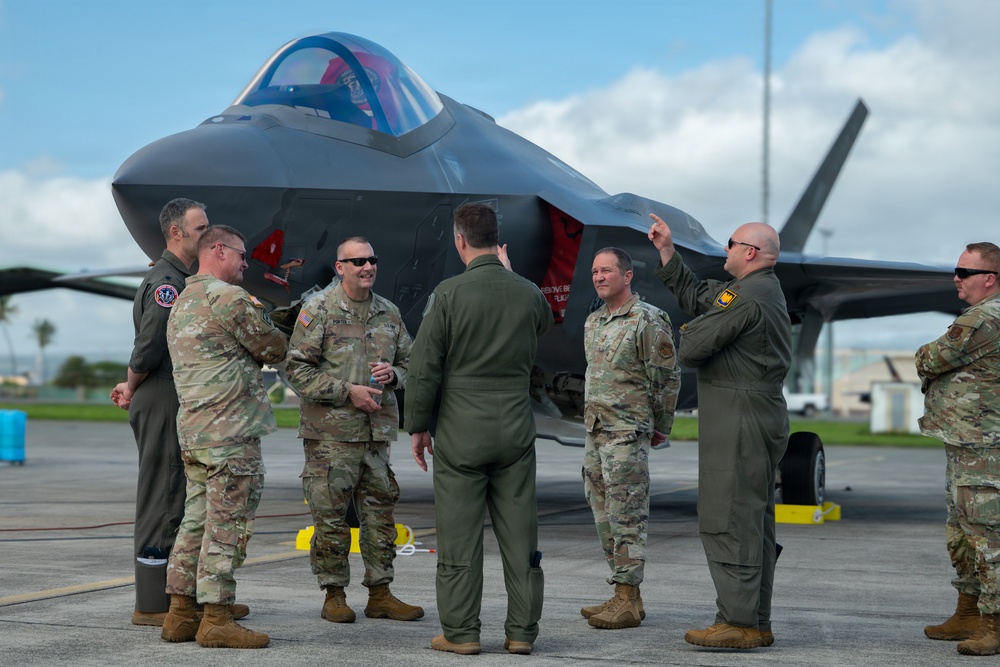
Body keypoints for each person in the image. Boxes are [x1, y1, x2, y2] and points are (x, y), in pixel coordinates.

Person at [406, 203, 554, 656]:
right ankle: (522, 632)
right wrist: (511, 276)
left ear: (460, 240)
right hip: (515, 428)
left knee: (459, 536)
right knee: (521, 536)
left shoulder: (448, 294)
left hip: (461, 429)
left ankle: (461, 632)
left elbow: (424, 368)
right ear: (497, 240)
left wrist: (418, 425)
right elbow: (543, 324)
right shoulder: (529, 293)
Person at [648, 213, 791, 650]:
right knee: (752, 519)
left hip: (740, 416)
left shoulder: (747, 298)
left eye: (731, 243)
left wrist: (691, 329)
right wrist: (667, 252)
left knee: (728, 515)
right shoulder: (755, 289)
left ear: (750, 252)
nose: (724, 249)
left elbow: (691, 347)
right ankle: (756, 620)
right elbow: (701, 297)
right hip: (755, 413)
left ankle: (737, 621)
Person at [159, 225, 288, 649]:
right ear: (219, 250)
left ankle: (180, 613)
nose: (246, 264)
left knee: (195, 520)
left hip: (195, 433)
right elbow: (274, 348)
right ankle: (216, 617)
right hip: (231, 433)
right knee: (227, 524)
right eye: (242, 255)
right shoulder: (229, 298)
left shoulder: (183, 300)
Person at [286, 236, 423, 624]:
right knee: (330, 518)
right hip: (331, 437)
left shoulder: (388, 313)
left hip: (376, 436)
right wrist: (348, 391)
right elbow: (297, 370)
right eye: (358, 261)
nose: (368, 267)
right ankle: (334, 595)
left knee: (380, 517)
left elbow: (412, 364)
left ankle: (381, 594)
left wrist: (395, 375)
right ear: (340, 267)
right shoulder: (319, 309)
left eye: (372, 260)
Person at [110, 198, 217, 627]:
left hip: (171, 391)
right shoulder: (168, 283)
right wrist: (132, 384)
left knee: (180, 494)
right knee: (165, 495)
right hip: (163, 392)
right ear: (176, 232)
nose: (208, 235)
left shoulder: (181, 277)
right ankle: (154, 603)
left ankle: (184, 599)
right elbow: (150, 345)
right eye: (200, 228)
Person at [580, 247, 681, 629]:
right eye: (595, 271)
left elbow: (666, 378)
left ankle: (627, 594)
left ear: (627, 275)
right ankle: (625, 595)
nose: (599, 277)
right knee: (603, 511)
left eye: (607, 270)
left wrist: (661, 425)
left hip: (626, 431)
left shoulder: (648, 319)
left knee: (627, 514)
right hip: (596, 431)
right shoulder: (594, 321)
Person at [916, 242, 1000, 657]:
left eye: (965, 272)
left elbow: (930, 358)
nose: (956, 278)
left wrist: (924, 355)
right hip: (968, 443)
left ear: (990, 278)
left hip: (984, 447)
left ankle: (994, 622)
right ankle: (968, 612)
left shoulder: (984, 318)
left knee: (986, 535)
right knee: (963, 531)